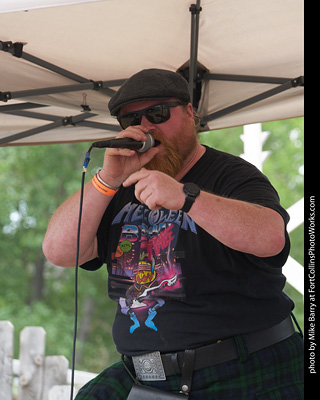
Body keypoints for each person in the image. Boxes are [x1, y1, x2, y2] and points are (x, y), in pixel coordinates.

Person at [42, 69, 304, 399]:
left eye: (158, 113)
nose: (145, 126)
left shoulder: (231, 174)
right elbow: (58, 251)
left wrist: (186, 197)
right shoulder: (119, 184)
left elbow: (271, 237)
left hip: (244, 365)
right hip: (145, 374)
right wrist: (106, 179)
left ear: (190, 113)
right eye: (130, 119)